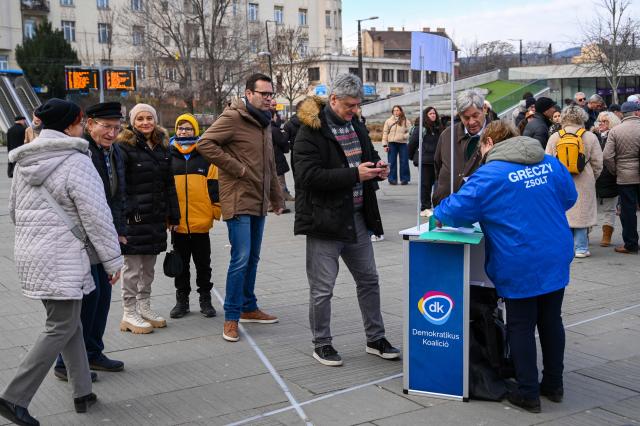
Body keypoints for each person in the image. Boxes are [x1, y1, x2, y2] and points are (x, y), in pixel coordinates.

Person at [433, 120, 577, 414]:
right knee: (551, 320)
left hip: (520, 258)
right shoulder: (550, 163)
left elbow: (455, 211)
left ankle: (528, 392)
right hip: (555, 252)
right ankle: (553, 384)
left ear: (488, 144)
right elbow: (569, 198)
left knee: (521, 325)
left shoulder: (490, 175)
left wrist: (436, 214)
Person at [0, 99, 123, 425]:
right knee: (61, 325)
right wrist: (112, 261)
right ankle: (13, 398)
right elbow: (97, 217)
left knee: (70, 323)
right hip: (64, 255)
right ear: (72, 124)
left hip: (33, 252)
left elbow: (14, 212)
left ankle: (82, 392)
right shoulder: (76, 161)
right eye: (81, 122)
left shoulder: (24, 160)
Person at [293, 73, 399, 367]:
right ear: (334, 99)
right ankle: (322, 343)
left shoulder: (356, 125)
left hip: (357, 218)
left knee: (369, 280)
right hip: (325, 222)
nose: (354, 110)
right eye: (350, 105)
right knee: (322, 289)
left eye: (357, 105)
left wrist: (378, 167)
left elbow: (367, 154)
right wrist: (355, 174)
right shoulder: (309, 131)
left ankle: (375, 338)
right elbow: (307, 177)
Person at [197, 73, 284, 343]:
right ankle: (231, 317)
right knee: (241, 258)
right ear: (249, 94)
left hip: (257, 200)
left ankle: (248, 306)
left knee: (253, 257)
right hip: (237, 198)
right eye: (264, 94)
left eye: (271, 94)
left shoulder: (264, 122)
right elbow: (204, 143)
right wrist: (238, 168)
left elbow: (269, 163)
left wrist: (276, 196)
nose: (269, 98)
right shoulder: (234, 117)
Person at [54, 102, 127, 381]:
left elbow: (119, 196)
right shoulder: (79, 152)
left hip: (105, 234)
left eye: (116, 128)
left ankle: (93, 353)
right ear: (90, 124)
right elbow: (84, 205)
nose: (111, 133)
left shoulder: (115, 151)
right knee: (84, 302)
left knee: (102, 300)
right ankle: (66, 363)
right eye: (106, 127)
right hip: (82, 239)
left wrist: (118, 231)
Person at [117, 103, 180, 334]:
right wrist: (127, 212)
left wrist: (173, 214)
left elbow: (168, 184)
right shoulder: (123, 147)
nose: (145, 122)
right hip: (134, 217)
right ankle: (129, 311)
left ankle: (144, 306)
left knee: (149, 269)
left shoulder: (163, 146)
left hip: (155, 217)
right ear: (132, 122)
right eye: (140, 118)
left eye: (149, 118)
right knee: (132, 268)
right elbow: (120, 186)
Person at [168, 113, 221, 319]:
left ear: (195, 130)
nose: (184, 131)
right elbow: (166, 189)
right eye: (180, 128)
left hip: (201, 222)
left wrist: (214, 212)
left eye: (188, 128)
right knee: (180, 265)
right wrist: (168, 217)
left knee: (203, 264)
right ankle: (182, 301)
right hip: (177, 223)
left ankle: (205, 299)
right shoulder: (169, 155)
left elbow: (214, 186)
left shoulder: (206, 155)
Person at [546, 105, 603, 258]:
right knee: (582, 213)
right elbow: (598, 162)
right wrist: (592, 177)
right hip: (584, 180)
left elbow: (548, 161)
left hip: (561, 180)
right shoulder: (590, 136)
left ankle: (566, 246)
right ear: (582, 118)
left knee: (564, 213)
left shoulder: (555, 136)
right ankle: (581, 248)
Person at [433, 89, 488, 206]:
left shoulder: (500, 134)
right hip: (447, 207)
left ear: (484, 109)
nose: (471, 122)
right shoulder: (447, 135)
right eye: (466, 118)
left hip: (483, 210)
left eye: (475, 115)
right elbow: (437, 167)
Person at [602, 101, 640, 254]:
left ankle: (630, 244)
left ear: (622, 114)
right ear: (636, 113)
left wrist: (615, 171)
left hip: (625, 177)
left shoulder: (616, 131)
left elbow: (607, 156)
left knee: (628, 211)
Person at [594, 111, 621, 247]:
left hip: (610, 176)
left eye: (604, 121)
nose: (601, 124)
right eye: (600, 121)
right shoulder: (593, 136)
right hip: (596, 177)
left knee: (609, 208)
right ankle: (586, 233)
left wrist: (614, 171)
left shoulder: (615, 135)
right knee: (592, 207)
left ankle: (607, 235)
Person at [408, 106, 442, 216]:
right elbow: (412, 143)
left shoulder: (438, 128)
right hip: (424, 160)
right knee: (425, 185)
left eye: (434, 113)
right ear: (426, 116)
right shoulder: (421, 128)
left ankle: (435, 205)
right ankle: (425, 208)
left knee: (437, 184)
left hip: (436, 161)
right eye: (430, 114)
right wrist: (412, 156)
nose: (433, 115)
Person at [270, 99, 292, 213]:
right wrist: (285, 134)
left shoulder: (266, 128)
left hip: (272, 158)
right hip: (277, 158)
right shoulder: (274, 129)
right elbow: (282, 141)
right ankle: (280, 206)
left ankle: (271, 205)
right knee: (280, 183)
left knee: (273, 183)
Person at [382, 105, 411, 185]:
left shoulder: (405, 121)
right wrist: (385, 145)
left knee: (404, 161)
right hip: (391, 144)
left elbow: (411, 131)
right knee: (391, 162)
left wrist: (404, 136)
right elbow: (385, 133)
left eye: (398, 110)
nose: (396, 112)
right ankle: (392, 179)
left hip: (402, 144)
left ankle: (405, 179)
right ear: (392, 112)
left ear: (401, 111)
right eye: (394, 110)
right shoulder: (388, 121)